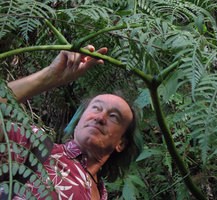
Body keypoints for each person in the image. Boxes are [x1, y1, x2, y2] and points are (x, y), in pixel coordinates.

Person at [0, 45, 142, 200]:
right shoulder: (34, 145)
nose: (100, 118)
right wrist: (50, 76)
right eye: (96, 108)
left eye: (113, 116)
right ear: (79, 120)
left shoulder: (102, 195)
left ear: (121, 143)